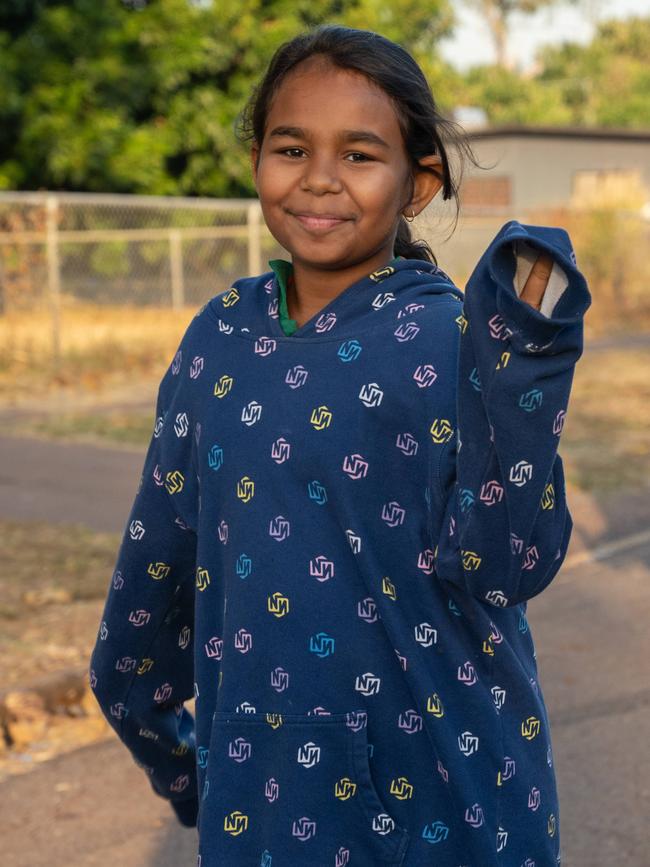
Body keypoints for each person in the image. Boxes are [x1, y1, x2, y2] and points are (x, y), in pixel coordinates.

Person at [88, 23, 591, 867]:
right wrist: (187, 759)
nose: (319, 178)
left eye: (359, 155)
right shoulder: (220, 338)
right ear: (257, 159)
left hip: (455, 797)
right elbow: (153, 573)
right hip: (266, 805)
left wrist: (522, 367)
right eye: (292, 147)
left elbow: (512, 562)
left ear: (418, 182)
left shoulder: (450, 342)